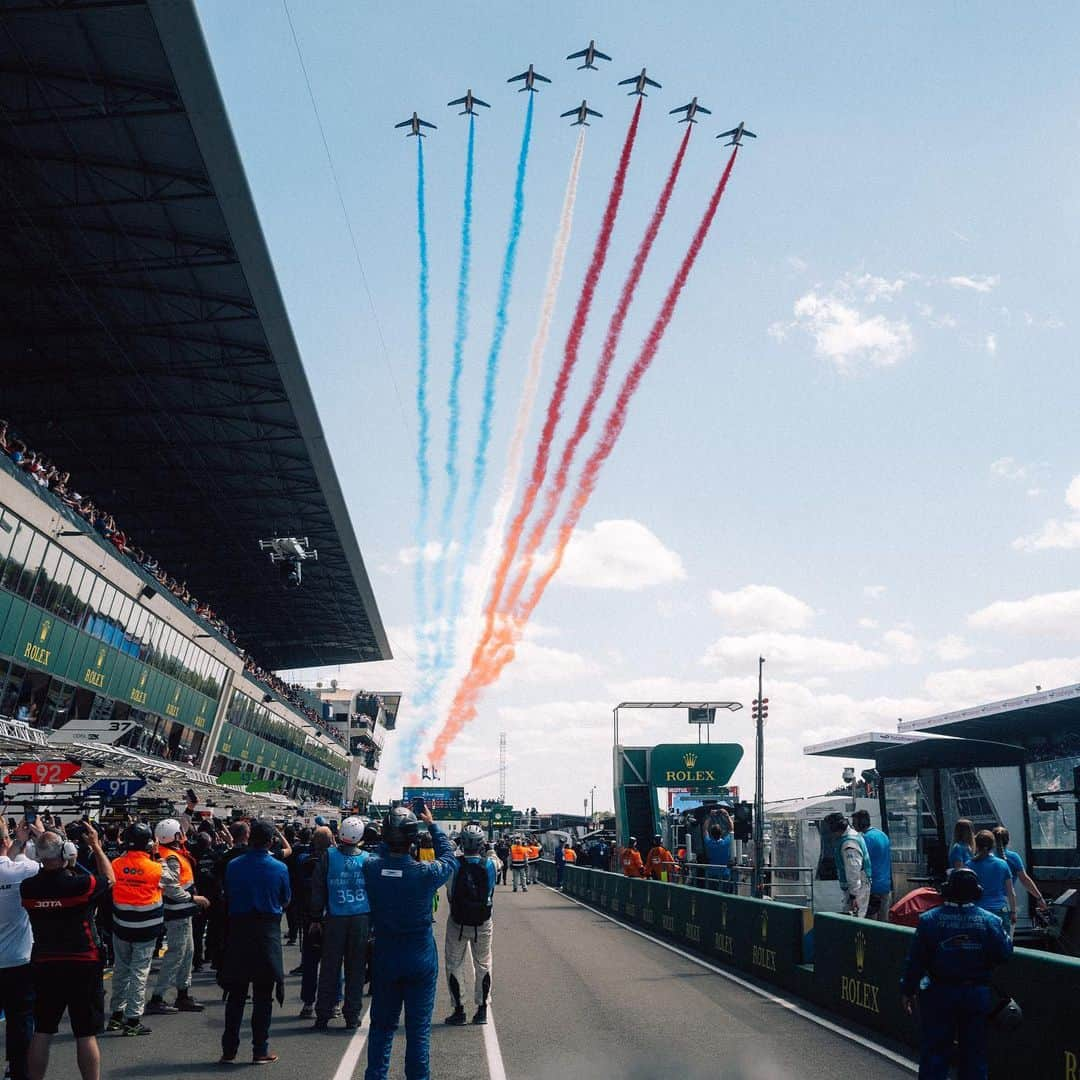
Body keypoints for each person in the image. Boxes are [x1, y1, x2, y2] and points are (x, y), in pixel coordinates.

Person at [362, 804, 456, 1080]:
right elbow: (449, 857)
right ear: (413, 838)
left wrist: (386, 834)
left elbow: (378, 853)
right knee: (418, 1032)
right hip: (420, 957)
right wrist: (434, 826)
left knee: (381, 1028)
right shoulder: (425, 873)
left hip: (386, 956)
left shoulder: (371, 868)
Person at [21, 824, 115, 1080]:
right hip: (83, 962)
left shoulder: (27, 889)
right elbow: (110, 878)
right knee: (85, 1033)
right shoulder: (80, 885)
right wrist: (96, 846)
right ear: (67, 852)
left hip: (45, 962)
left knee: (42, 1031)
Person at [901, 867, 1012, 1079]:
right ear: (977, 891)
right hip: (976, 994)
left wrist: (907, 989)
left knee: (935, 1053)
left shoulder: (929, 920)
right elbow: (1004, 953)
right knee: (975, 1055)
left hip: (938, 993)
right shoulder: (991, 921)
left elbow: (915, 961)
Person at [218, 819, 291, 1066]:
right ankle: (260, 1049)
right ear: (270, 842)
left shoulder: (233, 865)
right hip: (266, 933)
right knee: (263, 996)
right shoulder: (279, 867)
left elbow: (228, 893)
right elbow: (285, 899)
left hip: (238, 931)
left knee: (236, 995)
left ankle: (229, 1049)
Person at [309, 816, 370, 1031]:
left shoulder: (328, 856)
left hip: (335, 917)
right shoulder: (368, 859)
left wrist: (316, 918)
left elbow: (318, 888)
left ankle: (323, 1015)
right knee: (356, 970)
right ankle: (352, 1016)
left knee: (329, 969)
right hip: (361, 918)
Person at [145, 818, 209, 1015]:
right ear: (175, 835)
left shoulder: (167, 853)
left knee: (187, 953)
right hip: (178, 911)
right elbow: (171, 887)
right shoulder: (171, 858)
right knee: (176, 955)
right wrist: (193, 897)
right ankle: (158, 996)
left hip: (182, 911)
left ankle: (183, 993)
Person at [105, 822, 163, 1037]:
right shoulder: (157, 868)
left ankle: (116, 1016)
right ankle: (133, 1019)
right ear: (148, 843)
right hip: (146, 928)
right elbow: (172, 887)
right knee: (139, 972)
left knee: (121, 969)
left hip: (121, 925)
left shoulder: (116, 864)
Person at [443, 824, 497, 1026]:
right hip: (483, 923)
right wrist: (490, 849)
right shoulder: (490, 864)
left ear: (462, 843)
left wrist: (452, 844)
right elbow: (496, 860)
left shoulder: (454, 865)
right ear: (481, 843)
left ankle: (459, 1009)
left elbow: (449, 892)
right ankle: (482, 1009)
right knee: (483, 963)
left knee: (454, 964)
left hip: (458, 922)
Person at [1, 817, 42, 1080]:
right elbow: (57, 860)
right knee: (20, 1020)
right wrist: (38, 835)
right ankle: (18, 1072)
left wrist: (18, 842)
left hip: (17, 960)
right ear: (5, 840)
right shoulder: (23, 871)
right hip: (17, 960)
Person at [296, 826, 334, 1019]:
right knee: (333, 962)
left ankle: (308, 1003)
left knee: (310, 962)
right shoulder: (334, 861)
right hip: (331, 916)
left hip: (309, 917)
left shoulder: (304, 860)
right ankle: (333, 1002)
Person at [993, 825, 1047, 917]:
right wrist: (1039, 897)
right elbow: (1025, 880)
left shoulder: (986, 858)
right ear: (1008, 840)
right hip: (1006, 902)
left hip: (984, 903)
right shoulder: (1013, 857)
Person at [823, 813, 871, 917]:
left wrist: (854, 895)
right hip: (857, 886)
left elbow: (853, 870)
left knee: (855, 919)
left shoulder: (849, 844)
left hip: (857, 887)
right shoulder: (852, 836)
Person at [970, 829, 1016, 929]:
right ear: (993, 845)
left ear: (976, 845)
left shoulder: (969, 865)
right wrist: (1013, 912)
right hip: (999, 912)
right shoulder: (1002, 864)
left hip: (977, 912)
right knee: (1002, 944)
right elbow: (1010, 892)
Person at [853, 809, 893, 921]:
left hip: (872, 887)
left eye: (855, 822)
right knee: (883, 923)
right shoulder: (883, 835)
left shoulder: (866, 839)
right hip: (885, 885)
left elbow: (860, 863)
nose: (853, 825)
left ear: (861, 823)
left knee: (870, 923)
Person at [703, 815, 734, 891]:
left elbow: (705, 830)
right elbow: (731, 829)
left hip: (712, 873)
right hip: (725, 873)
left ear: (711, 834)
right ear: (721, 833)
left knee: (713, 896)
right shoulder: (726, 842)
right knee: (725, 896)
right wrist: (726, 815)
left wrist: (709, 816)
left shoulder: (708, 843)